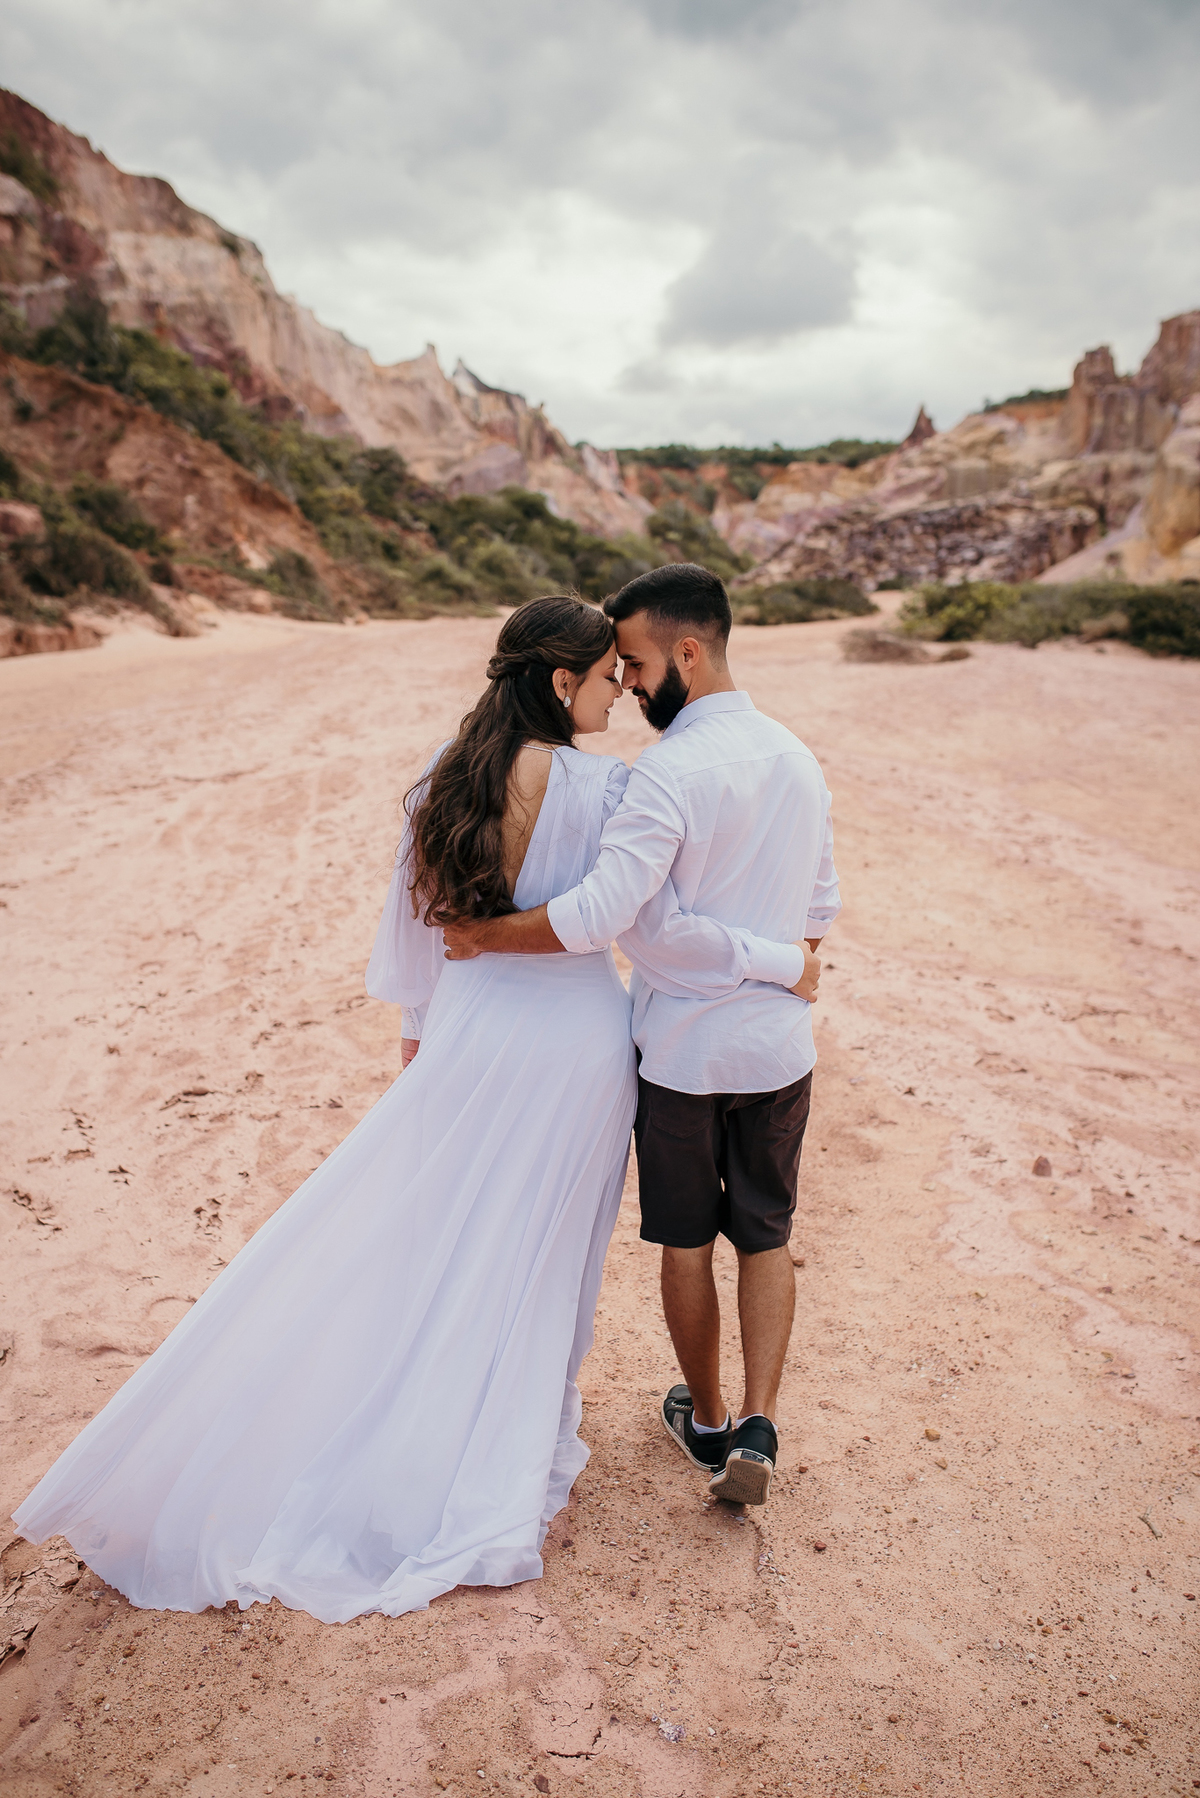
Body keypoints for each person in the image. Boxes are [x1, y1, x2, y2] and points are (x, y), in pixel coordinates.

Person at [11, 595, 807, 1622]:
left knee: (441, 1235)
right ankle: (489, 1437)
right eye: (609, 676)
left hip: (470, 1034)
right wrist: (781, 963)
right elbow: (636, 928)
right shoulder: (611, 790)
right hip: (576, 1048)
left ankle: (405, 1417)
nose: (623, 691)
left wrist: (424, 1055)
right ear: (562, 683)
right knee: (538, 1252)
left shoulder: (446, 774)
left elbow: (416, 940)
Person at [443, 563, 840, 1508]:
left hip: (686, 1056)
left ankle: (708, 1426)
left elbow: (632, 926)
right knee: (768, 1234)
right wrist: (782, 964)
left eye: (637, 661)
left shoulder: (666, 773)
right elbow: (818, 912)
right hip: (780, 1050)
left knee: (686, 1244)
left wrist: (488, 936)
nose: (626, 681)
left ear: (689, 653)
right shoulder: (797, 757)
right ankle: (761, 1421)